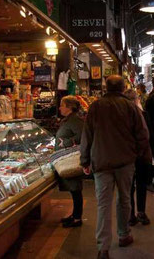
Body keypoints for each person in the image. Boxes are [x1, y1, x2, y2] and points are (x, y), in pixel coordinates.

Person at [80, 75, 151, 259]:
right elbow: (143, 134)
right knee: (124, 198)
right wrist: (138, 154)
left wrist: (85, 160)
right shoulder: (130, 107)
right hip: (125, 162)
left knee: (103, 204)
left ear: (106, 87)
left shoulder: (95, 107)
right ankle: (124, 234)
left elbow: (86, 135)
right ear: (122, 87)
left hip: (101, 161)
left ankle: (103, 248)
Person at [55, 96, 84, 228]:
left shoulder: (75, 120)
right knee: (73, 190)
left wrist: (65, 143)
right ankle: (74, 215)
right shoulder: (69, 119)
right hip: (66, 157)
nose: (60, 107)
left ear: (69, 107)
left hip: (71, 159)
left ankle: (77, 218)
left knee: (75, 189)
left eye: (62, 105)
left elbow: (82, 136)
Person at [124, 89, 152, 226]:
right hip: (142, 156)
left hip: (127, 156)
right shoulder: (143, 115)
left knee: (129, 186)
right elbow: (148, 136)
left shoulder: (121, 117)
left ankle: (130, 215)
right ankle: (141, 212)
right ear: (136, 100)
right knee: (141, 184)